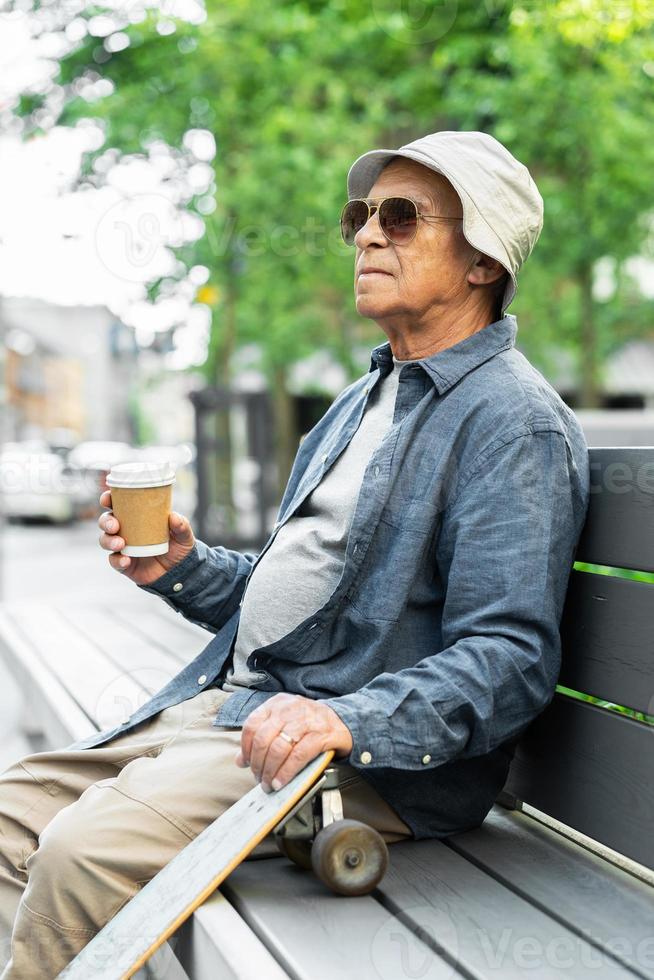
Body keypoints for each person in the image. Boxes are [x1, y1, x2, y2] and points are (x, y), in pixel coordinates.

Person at [0, 130, 590, 977]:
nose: (364, 235)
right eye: (361, 214)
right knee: (7, 817)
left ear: (483, 261)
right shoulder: (365, 400)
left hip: (354, 761)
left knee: (77, 856)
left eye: (400, 216)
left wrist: (346, 720)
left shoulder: (512, 424)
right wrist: (183, 568)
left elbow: (510, 660)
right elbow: (311, 606)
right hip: (241, 712)